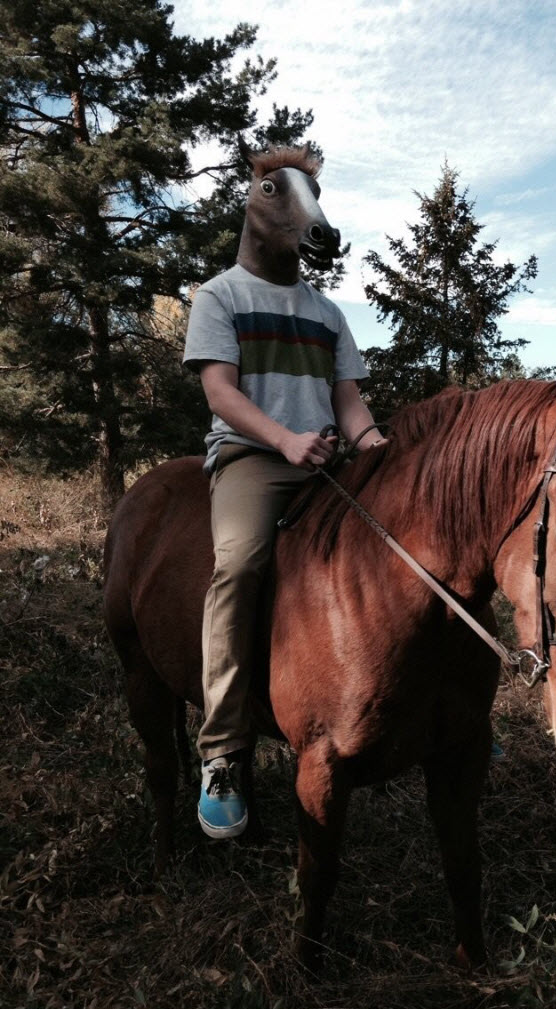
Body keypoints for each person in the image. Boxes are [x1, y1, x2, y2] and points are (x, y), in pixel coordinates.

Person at [183, 146, 385, 839]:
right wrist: (286, 439)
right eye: (282, 194)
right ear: (256, 204)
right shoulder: (221, 296)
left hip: (327, 460)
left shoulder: (327, 313)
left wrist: (376, 449)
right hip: (253, 458)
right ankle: (222, 752)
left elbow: (349, 403)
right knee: (238, 566)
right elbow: (220, 392)